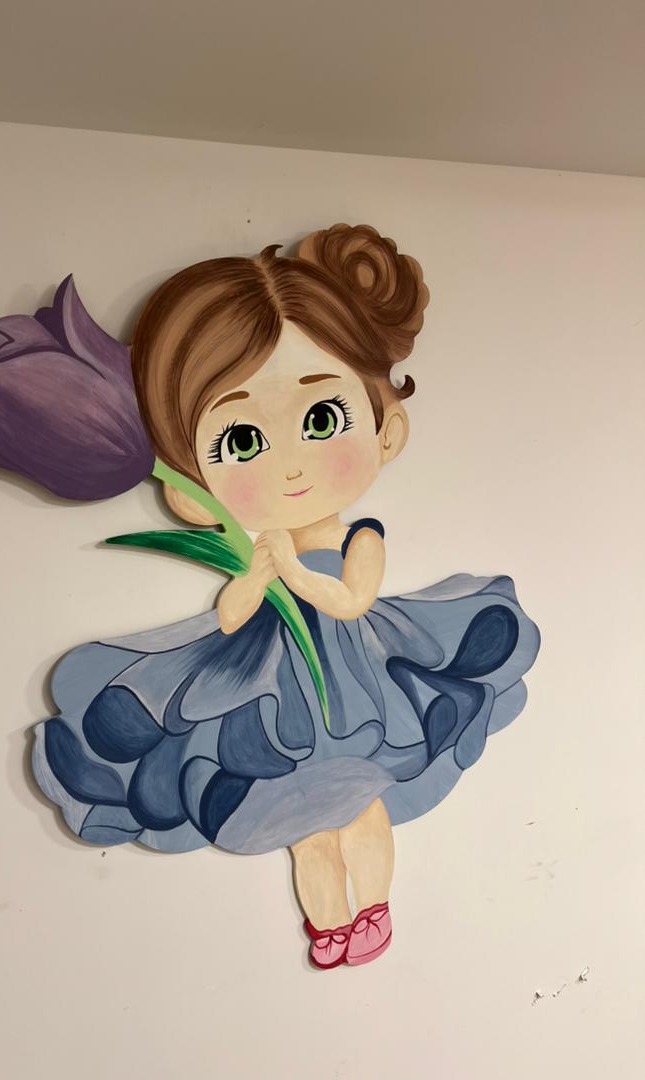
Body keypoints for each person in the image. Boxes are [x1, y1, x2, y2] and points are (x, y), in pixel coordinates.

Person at [28, 224, 541, 969]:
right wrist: (253, 577)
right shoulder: (256, 546)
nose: (291, 466)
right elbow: (229, 616)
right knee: (305, 822)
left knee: (361, 800)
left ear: (387, 432)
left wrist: (290, 570)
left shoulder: (361, 535)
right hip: (272, 687)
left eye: (321, 420)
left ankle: (374, 909)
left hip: (361, 684)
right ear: (192, 491)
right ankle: (330, 926)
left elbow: (352, 602)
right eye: (241, 442)